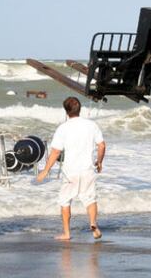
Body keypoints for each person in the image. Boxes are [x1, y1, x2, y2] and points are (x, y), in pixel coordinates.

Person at [37, 97, 106, 240]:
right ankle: (93, 224)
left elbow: (56, 152)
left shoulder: (63, 128)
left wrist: (45, 170)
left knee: (65, 200)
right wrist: (99, 162)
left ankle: (67, 233)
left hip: (70, 172)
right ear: (79, 109)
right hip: (88, 169)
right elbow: (102, 145)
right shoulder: (91, 125)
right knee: (90, 199)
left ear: (66, 111)